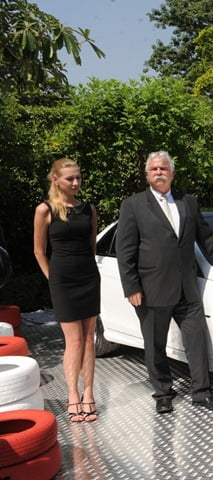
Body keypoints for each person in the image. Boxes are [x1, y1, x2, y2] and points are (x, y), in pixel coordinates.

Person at [115, 151, 213, 414]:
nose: (159, 172)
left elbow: (205, 236)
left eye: (163, 168)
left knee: (197, 342)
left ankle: (202, 393)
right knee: (155, 345)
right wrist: (131, 287)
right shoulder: (133, 205)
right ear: (147, 174)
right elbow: (125, 250)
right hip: (151, 290)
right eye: (153, 169)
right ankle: (163, 393)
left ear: (172, 173)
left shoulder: (188, 202)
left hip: (187, 288)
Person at [33, 158, 100, 423]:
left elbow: (91, 245)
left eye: (78, 178)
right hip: (62, 281)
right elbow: (39, 252)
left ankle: (89, 394)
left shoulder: (88, 209)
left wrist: (90, 273)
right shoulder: (45, 210)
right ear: (55, 180)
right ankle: (73, 395)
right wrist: (53, 279)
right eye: (70, 178)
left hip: (88, 278)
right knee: (73, 341)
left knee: (89, 338)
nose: (75, 183)